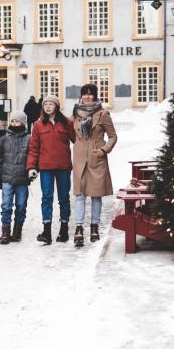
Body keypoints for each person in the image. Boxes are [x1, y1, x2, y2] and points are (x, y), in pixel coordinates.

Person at [71, 83, 117, 247]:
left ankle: (94, 226)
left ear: (95, 96)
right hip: (79, 158)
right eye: (85, 94)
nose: (87, 96)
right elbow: (70, 134)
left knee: (96, 195)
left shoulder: (103, 114)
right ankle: (78, 228)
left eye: (90, 94)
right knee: (80, 194)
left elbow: (113, 136)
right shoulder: (76, 114)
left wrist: (103, 150)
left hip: (96, 158)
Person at [26, 95, 76, 245]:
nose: (48, 107)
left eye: (51, 104)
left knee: (63, 198)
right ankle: (46, 231)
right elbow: (34, 148)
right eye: (45, 104)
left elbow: (77, 140)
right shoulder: (38, 125)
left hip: (63, 166)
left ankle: (64, 229)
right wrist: (31, 167)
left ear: (56, 106)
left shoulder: (67, 123)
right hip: (46, 167)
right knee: (47, 197)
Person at [0, 110, 32, 244]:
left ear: (23, 123)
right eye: (13, 121)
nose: (15, 124)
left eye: (18, 122)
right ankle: (5, 231)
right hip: (7, 178)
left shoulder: (28, 139)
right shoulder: (4, 138)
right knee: (6, 205)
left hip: (22, 179)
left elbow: (33, 157)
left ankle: (17, 230)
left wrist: (32, 171)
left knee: (21, 205)